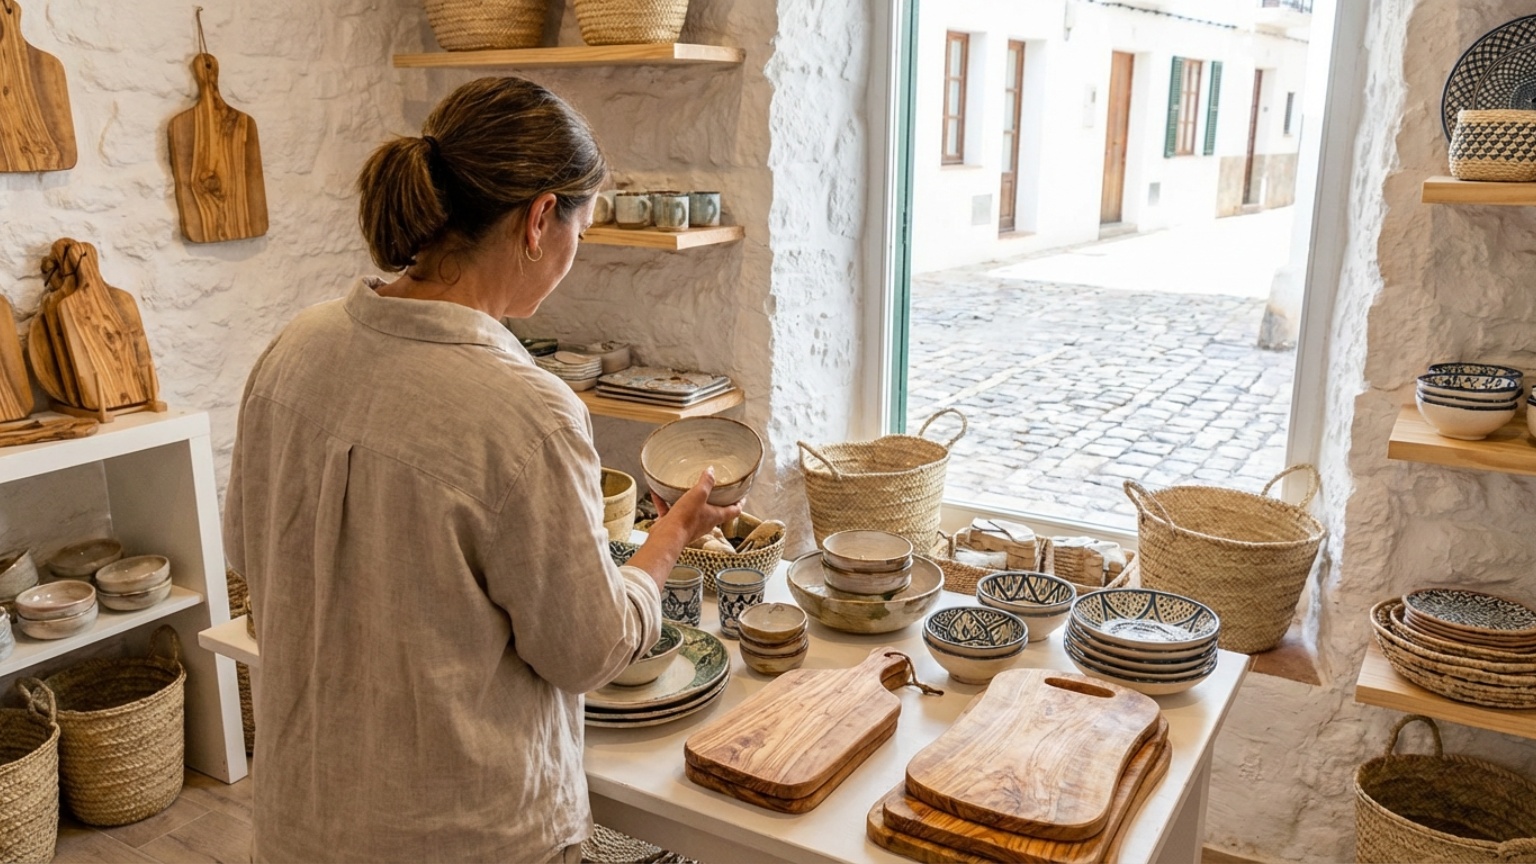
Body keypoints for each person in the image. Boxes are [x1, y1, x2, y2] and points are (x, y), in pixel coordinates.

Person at [223, 76, 740, 863]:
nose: (575, 253)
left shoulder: (295, 347)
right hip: (460, 835)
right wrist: (666, 540)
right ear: (539, 220)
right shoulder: (523, 410)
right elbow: (587, 652)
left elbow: (250, 554)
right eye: (581, 229)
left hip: (302, 820)